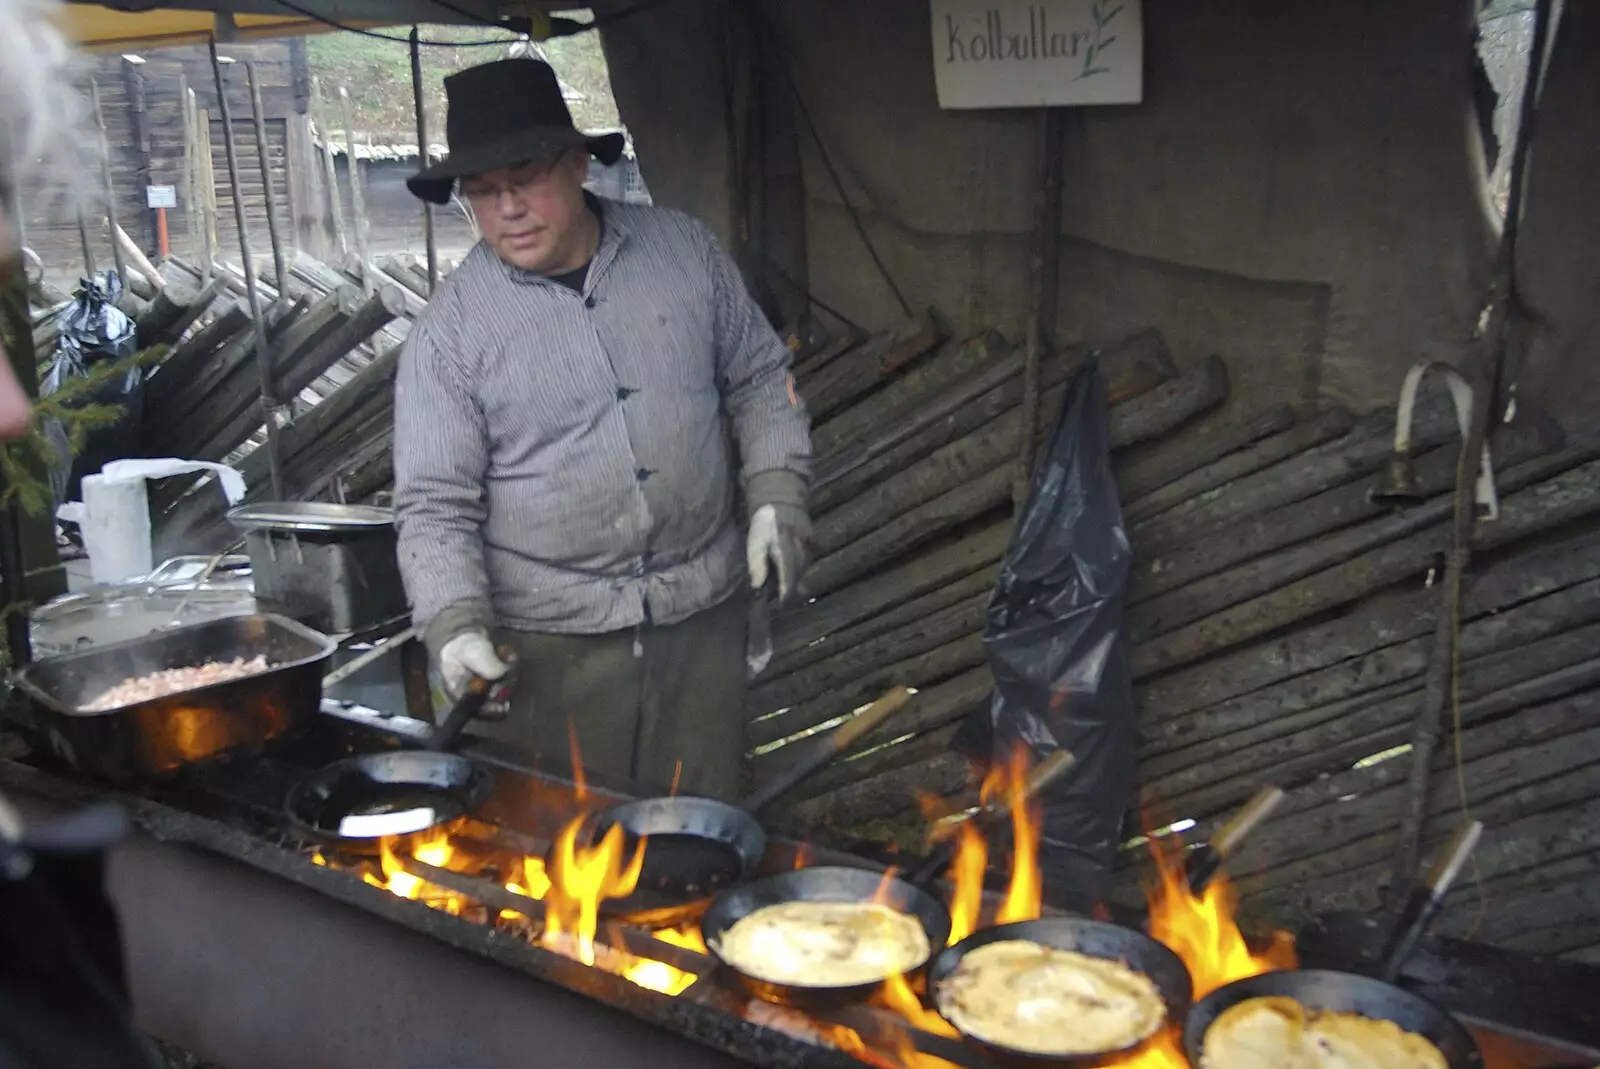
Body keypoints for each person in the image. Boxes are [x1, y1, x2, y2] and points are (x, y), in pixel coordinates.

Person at [395, 58, 812, 800]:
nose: (508, 209)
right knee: (561, 873)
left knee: (695, 840)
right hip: (552, 659)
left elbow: (758, 377)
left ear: (580, 163)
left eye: (525, 178)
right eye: (483, 193)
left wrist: (778, 495)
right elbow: (433, 506)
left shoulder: (685, 254)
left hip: (701, 633)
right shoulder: (451, 332)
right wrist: (455, 626)